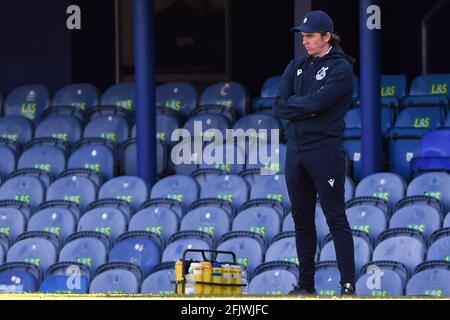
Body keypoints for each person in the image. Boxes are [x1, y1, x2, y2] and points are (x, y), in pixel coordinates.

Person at [274, 10, 356, 296]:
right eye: (303, 36)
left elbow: (321, 103)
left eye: (310, 36)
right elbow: (279, 105)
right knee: (301, 219)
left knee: (335, 217)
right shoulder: (296, 66)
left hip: (325, 150)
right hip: (295, 151)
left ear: (327, 36)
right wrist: (306, 106)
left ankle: (347, 287)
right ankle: (306, 285)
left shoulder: (341, 68)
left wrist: (304, 105)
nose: (305, 41)